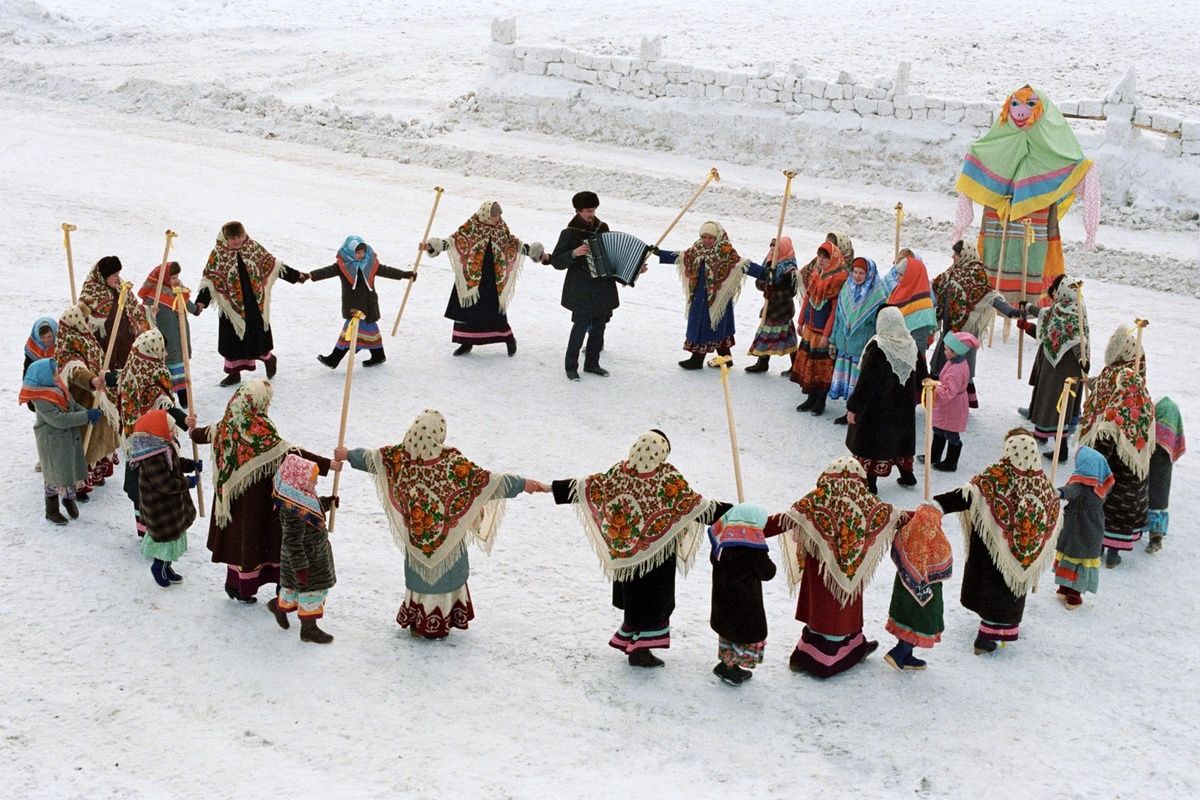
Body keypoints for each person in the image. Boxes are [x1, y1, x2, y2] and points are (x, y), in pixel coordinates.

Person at [338, 409, 548, 638]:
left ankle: (419, 622)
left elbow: (369, 459)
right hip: (448, 538)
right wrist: (521, 484)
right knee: (447, 576)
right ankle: (441, 620)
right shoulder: (450, 462)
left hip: (417, 539)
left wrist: (347, 454)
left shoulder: (397, 457)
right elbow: (484, 482)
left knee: (420, 579)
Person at [552, 430, 731, 667]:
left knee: (636, 601)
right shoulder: (667, 477)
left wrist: (553, 488)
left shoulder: (620, 472)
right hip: (656, 557)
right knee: (655, 603)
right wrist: (733, 512)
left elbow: (592, 486)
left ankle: (635, 644)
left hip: (630, 557)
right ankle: (640, 651)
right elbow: (694, 505)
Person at [189, 379, 337, 603]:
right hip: (258, 503)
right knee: (264, 540)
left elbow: (204, 434)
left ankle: (236, 585)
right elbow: (290, 453)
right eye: (266, 401)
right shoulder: (258, 429)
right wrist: (327, 465)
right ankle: (275, 586)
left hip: (231, 501)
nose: (267, 406)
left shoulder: (227, 423)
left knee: (239, 541)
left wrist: (192, 432)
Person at [766, 456, 903, 678]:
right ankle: (828, 661)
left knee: (819, 612)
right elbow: (895, 516)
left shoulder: (814, 501)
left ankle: (802, 655)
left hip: (819, 575)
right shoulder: (866, 502)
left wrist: (748, 525)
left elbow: (785, 520)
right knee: (839, 616)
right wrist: (926, 514)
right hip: (848, 575)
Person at [933, 429, 1061, 654]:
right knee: (1009, 592)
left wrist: (939, 505)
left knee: (991, 589)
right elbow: (1052, 508)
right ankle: (995, 634)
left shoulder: (997, 475)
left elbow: (968, 494)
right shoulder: (1042, 483)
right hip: (1021, 553)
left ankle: (987, 638)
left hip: (991, 553)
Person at [424, 201, 546, 358]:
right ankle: (466, 342)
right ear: (486, 214)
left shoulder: (501, 227)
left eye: (499, 215)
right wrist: (433, 246)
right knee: (467, 311)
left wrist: (531, 251)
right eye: (495, 215)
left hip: (492, 278)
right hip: (471, 277)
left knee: (494, 311)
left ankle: (508, 338)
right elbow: (455, 240)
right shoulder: (472, 225)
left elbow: (512, 243)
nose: (497, 218)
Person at [195, 221, 306, 388]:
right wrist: (201, 303)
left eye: (239, 236)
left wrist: (296, 276)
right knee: (231, 342)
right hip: (230, 309)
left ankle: (269, 359)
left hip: (253, 303)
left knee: (257, 337)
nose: (237, 241)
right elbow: (211, 280)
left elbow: (272, 264)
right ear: (226, 238)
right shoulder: (218, 255)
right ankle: (233, 374)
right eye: (233, 238)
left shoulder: (252, 247)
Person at [1076, 326, 1152, 568]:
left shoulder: (1120, 390)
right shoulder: (1135, 392)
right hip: (1130, 465)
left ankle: (1103, 550)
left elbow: (1105, 442)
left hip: (1116, 465)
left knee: (1107, 508)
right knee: (1119, 512)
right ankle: (1112, 553)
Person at [929, 241, 1026, 403]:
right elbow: (936, 286)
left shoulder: (977, 274)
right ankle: (937, 400)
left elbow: (990, 296)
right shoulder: (953, 271)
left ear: (965, 255)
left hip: (964, 332)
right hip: (948, 329)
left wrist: (1011, 311)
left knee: (960, 366)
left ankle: (959, 403)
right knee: (940, 363)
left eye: (956, 254)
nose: (953, 256)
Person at [845, 306, 928, 492]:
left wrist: (854, 407)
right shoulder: (911, 344)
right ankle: (907, 475)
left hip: (878, 410)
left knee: (874, 443)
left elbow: (866, 382)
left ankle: (870, 483)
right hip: (903, 409)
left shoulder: (878, 347)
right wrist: (926, 388)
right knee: (900, 442)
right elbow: (922, 376)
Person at [305, 235, 414, 369]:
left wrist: (404, 274)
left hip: (368, 305)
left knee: (353, 333)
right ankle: (377, 355)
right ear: (350, 251)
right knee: (361, 332)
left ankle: (336, 359)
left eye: (362, 252)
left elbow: (386, 270)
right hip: (353, 306)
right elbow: (328, 271)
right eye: (357, 253)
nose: (360, 255)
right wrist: (311, 275)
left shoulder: (370, 264)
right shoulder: (343, 265)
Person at [1015, 275, 1089, 460]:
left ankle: (1061, 449)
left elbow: (1079, 342)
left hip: (1065, 370)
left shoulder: (1075, 314)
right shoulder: (1059, 309)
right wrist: (1027, 319)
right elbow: (1048, 327)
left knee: (1058, 405)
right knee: (1046, 399)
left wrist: (1082, 359)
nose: (1054, 294)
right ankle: (1041, 434)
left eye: (1056, 290)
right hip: (1052, 367)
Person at [267, 454, 339, 643]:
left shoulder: (302, 496)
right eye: (312, 479)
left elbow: (312, 509)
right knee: (311, 593)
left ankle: (277, 606)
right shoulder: (292, 509)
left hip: (313, 555)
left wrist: (326, 503)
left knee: (292, 591)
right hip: (306, 561)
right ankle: (309, 630)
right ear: (299, 480)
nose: (315, 483)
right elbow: (292, 541)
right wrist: (300, 568)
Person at [549, 191, 621, 380]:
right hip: (581, 289)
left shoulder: (603, 228)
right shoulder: (569, 233)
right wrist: (574, 253)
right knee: (579, 328)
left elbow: (611, 257)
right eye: (588, 210)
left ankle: (592, 364)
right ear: (578, 211)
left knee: (599, 328)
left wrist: (633, 269)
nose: (592, 214)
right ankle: (571, 367)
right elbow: (556, 261)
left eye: (594, 210)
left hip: (602, 288)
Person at [657, 222, 748, 370]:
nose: (706, 240)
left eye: (710, 237)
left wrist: (763, 273)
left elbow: (743, 265)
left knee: (711, 327)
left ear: (717, 237)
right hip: (699, 296)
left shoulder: (726, 252)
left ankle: (697, 359)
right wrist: (659, 253)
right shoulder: (697, 249)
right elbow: (682, 257)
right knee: (708, 327)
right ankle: (725, 359)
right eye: (704, 237)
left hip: (718, 298)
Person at [21, 358, 101, 524]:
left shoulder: (58, 387)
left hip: (67, 438)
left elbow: (72, 404)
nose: (57, 375)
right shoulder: (40, 398)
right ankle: (52, 509)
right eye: (53, 372)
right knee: (54, 475)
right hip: (53, 442)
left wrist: (87, 412)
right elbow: (59, 419)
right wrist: (85, 417)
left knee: (69, 471)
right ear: (43, 376)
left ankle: (68, 499)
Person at [127, 408, 200, 587]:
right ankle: (158, 566)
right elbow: (165, 483)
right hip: (160, 507)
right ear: (158, 429)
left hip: (169, 505)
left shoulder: (162, 445)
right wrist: (186, 483)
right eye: (170, 428)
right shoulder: (151, 456)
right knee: (166, 540)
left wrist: (191, 465)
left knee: (173, 537)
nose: (174, 431)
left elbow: (174, 464)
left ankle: (167, 566)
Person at [708, 502, 776, 685]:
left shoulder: (722, 542)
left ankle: (726, 664)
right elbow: (768, 572)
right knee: (741, 637)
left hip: (723, 602)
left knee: (728, 634)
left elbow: (714, 560)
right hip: (745, 607)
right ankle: (730, 670)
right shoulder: (754, 550)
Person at [55, 304, 121, 491]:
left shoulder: (85, 338)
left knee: (99, 439)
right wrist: (92, 381)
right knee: (86, 444)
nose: (88, 324)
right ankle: (81, 483)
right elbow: (75, 370)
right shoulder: (68, 345)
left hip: (99, 398)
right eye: (84, 320)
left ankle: (98, 472)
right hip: (83, 401)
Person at [884, 503, 952, 671]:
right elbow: (945, 559)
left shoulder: (909, 532)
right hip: (927, 592)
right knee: (920, 622)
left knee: (907, 621)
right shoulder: (935, 541)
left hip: (904, 587)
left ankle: (906, 657)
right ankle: (898, 653)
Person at [1052, 445, 1114, 609]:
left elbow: (1071, 491)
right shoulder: (1101, 486)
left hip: (1075, 529)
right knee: (1079, 560)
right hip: (1093, 530)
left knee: (1072, 560)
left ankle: (1073, 595)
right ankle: (1067, 589)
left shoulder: (1081, 484)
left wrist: (1058, 493)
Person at [791, 241, 849, 415]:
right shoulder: (816, 273)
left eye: (825, 257)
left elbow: (834, 311)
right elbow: (808, 297)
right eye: (820, 256)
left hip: (822, 332)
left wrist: (826, 334)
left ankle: (820, 401)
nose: (821, 260)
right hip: (810, 328)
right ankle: (810, 397)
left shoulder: (839, 279)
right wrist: (801, 321)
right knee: (809, 363)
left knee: (821, 367)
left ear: (832, 258)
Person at [829, 256, 888, 423]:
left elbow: (878, 326)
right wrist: (833, 340)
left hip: (862, 348)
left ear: (869, 274)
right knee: (848, 382)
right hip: (844, 345)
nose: (857, 276)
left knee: (860, 383)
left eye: (862, 273)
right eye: (855, 271)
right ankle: (850, 412)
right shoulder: (846, 289)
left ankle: (860, 414)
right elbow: (839, 318)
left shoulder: (878, 296)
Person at [138, 262, 197, 407]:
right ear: (163, 278)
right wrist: (150, 312)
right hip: (165, 338)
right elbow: (145, 315)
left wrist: (196, 309)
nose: (175, 280)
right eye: (172, 278)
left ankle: (183, 397)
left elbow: (188, 304)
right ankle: (167, 398)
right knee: (167, 367)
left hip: (180, 334)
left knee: (180, 367)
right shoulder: (155, 295)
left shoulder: (178, 290)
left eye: (177, 277)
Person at [79, 255, 151, 372]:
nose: (117, 278)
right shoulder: (92, 291)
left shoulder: (122, 288)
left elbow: (134, 308)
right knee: (107, 377)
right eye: (114, 275)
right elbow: (82, 318)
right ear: (104, 276)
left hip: (125, 341)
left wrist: (147, 312)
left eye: (118, 274)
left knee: (127, 373)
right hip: (104, 343)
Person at [925, 331, 979, 472]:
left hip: (953, 406)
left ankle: (951, 462)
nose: (944, 352)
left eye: (947, 349)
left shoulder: (956, 371)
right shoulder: (955, 361)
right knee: (939, 429)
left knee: (951, 434)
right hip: (948, 406)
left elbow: (948, 392)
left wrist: (934, 387)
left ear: (956, 351)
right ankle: (934, 456)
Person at [743, 237, 798, 374]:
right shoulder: (769, 262)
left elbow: (791, 292)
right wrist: (765, 286)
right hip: (770, 307)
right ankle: (763, 362)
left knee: (786, 338)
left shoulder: (790, 268)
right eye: (771, 248)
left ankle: (796, 366)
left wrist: (773, 292)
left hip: (782, 310)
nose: (772, 251)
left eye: (776, 248)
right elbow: (759, 281)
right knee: (767, 333)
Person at [1146, 396, 1184, 553]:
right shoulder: (1170, 438)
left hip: (1152, 472)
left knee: (1150, 497)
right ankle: (1156, 536)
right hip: (1163, 478)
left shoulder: (1153, 437)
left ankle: (1151, 534)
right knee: (1160, 500)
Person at [883, 252, 937, 356]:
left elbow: (919, 346)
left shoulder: (924, 305)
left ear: (911, 276)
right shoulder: (899, 292)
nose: (898, 277)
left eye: (902, 275)